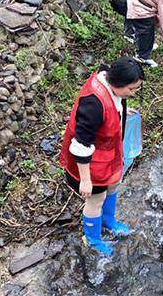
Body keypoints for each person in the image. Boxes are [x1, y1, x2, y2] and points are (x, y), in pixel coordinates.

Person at [59, 57, 145, 256]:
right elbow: (81, 144)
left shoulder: (111, 84)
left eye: (137, 88)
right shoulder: (93, 104)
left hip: (108, 153)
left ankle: (108, 220)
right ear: (117, 82)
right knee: (95, 200)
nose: (133, 93)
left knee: (113, 184)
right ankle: (93, 240)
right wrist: (85, 180)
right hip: (91, 163)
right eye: (131, 89)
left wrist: (122, 110)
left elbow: (115, 101)